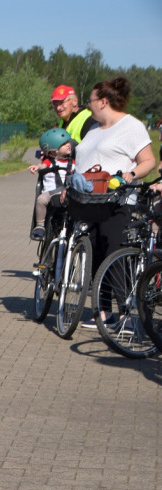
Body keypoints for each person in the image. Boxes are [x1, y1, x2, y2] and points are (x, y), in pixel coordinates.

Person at [72, 77, 156, 330]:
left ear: (104, 101)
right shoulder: (94, 130)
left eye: (91, 100)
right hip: (89, 199)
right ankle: (103, 311)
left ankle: (126, 312)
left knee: (114, 254)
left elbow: (148, 160)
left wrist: (131, 174)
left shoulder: (131, 126)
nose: (89, 105)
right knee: (95, 254)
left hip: (117, 200)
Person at [28, 128, 74, 241]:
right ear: (53, 151)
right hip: (51, 191)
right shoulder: (49, 161)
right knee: (41, 200)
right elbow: (43, 166)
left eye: (68, 142)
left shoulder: (73, 161)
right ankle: (40, 225)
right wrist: (37, 167)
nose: (68, 145)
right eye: (63, 144)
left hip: (68, 190)